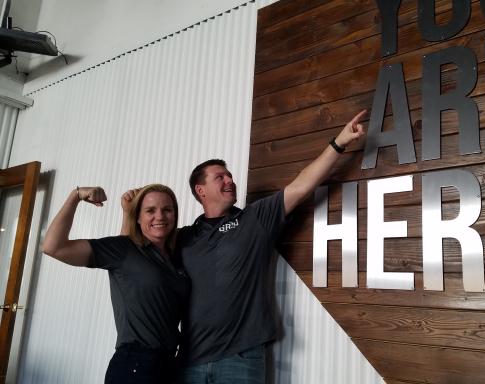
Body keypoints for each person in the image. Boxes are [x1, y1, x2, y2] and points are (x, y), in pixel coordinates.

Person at [121, 109, 368, 384]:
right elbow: (130, 258)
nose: (230, 180)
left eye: (230, 176)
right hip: (188, 361)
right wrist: (128, 213)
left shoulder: (254, 219)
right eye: (220, 177)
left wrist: (339, 143)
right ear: (200, 191)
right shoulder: (183, 237)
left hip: (240, 360)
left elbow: (301, 185)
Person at [42, 184, 190, 384]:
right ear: (138, 218)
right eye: (150, 210)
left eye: (167, 210)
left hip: (170, 366)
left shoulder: (175, 257)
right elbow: (53, 247)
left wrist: (127, 212)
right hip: (136, 366)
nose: (160, 216)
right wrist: (75, 196)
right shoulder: (123, 249)